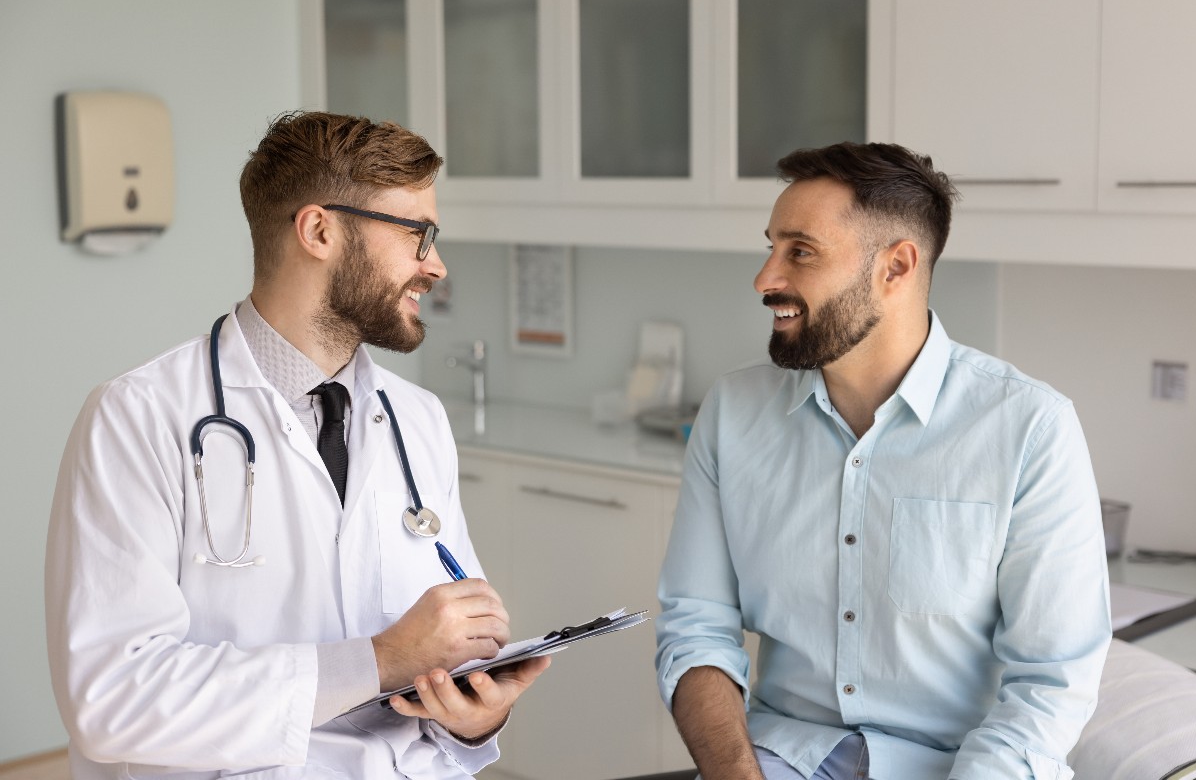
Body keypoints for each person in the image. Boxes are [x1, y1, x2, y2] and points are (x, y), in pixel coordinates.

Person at [45, 111, 549, 779]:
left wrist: (477, 712)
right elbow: (111, 700)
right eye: (418, 235)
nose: (436, 265)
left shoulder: (417, 420)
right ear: (319, 230)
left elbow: (444, 658)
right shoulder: (137, 419)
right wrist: (377, 660)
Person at [655, 142, 1110, 780]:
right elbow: (696, 626)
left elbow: (1052, 680)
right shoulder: (733, 412)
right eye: (771, 247)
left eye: (800, 251)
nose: (766, 278)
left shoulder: (1030, 428)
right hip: (780, 759)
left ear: (895, 267)